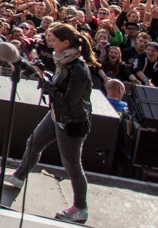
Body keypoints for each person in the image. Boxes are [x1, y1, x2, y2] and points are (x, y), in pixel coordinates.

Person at [6, 23, 98, 224]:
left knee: (72, 166)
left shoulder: (79, 68)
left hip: (71, 122)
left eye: (54, 41)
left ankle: (80, 208)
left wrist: (45, 82)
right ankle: (19, 176)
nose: (50, 44)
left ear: (66, 43)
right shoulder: (64, 60)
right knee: (34, 143)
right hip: (57, 115)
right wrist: (46, 76)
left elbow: (68, 99)